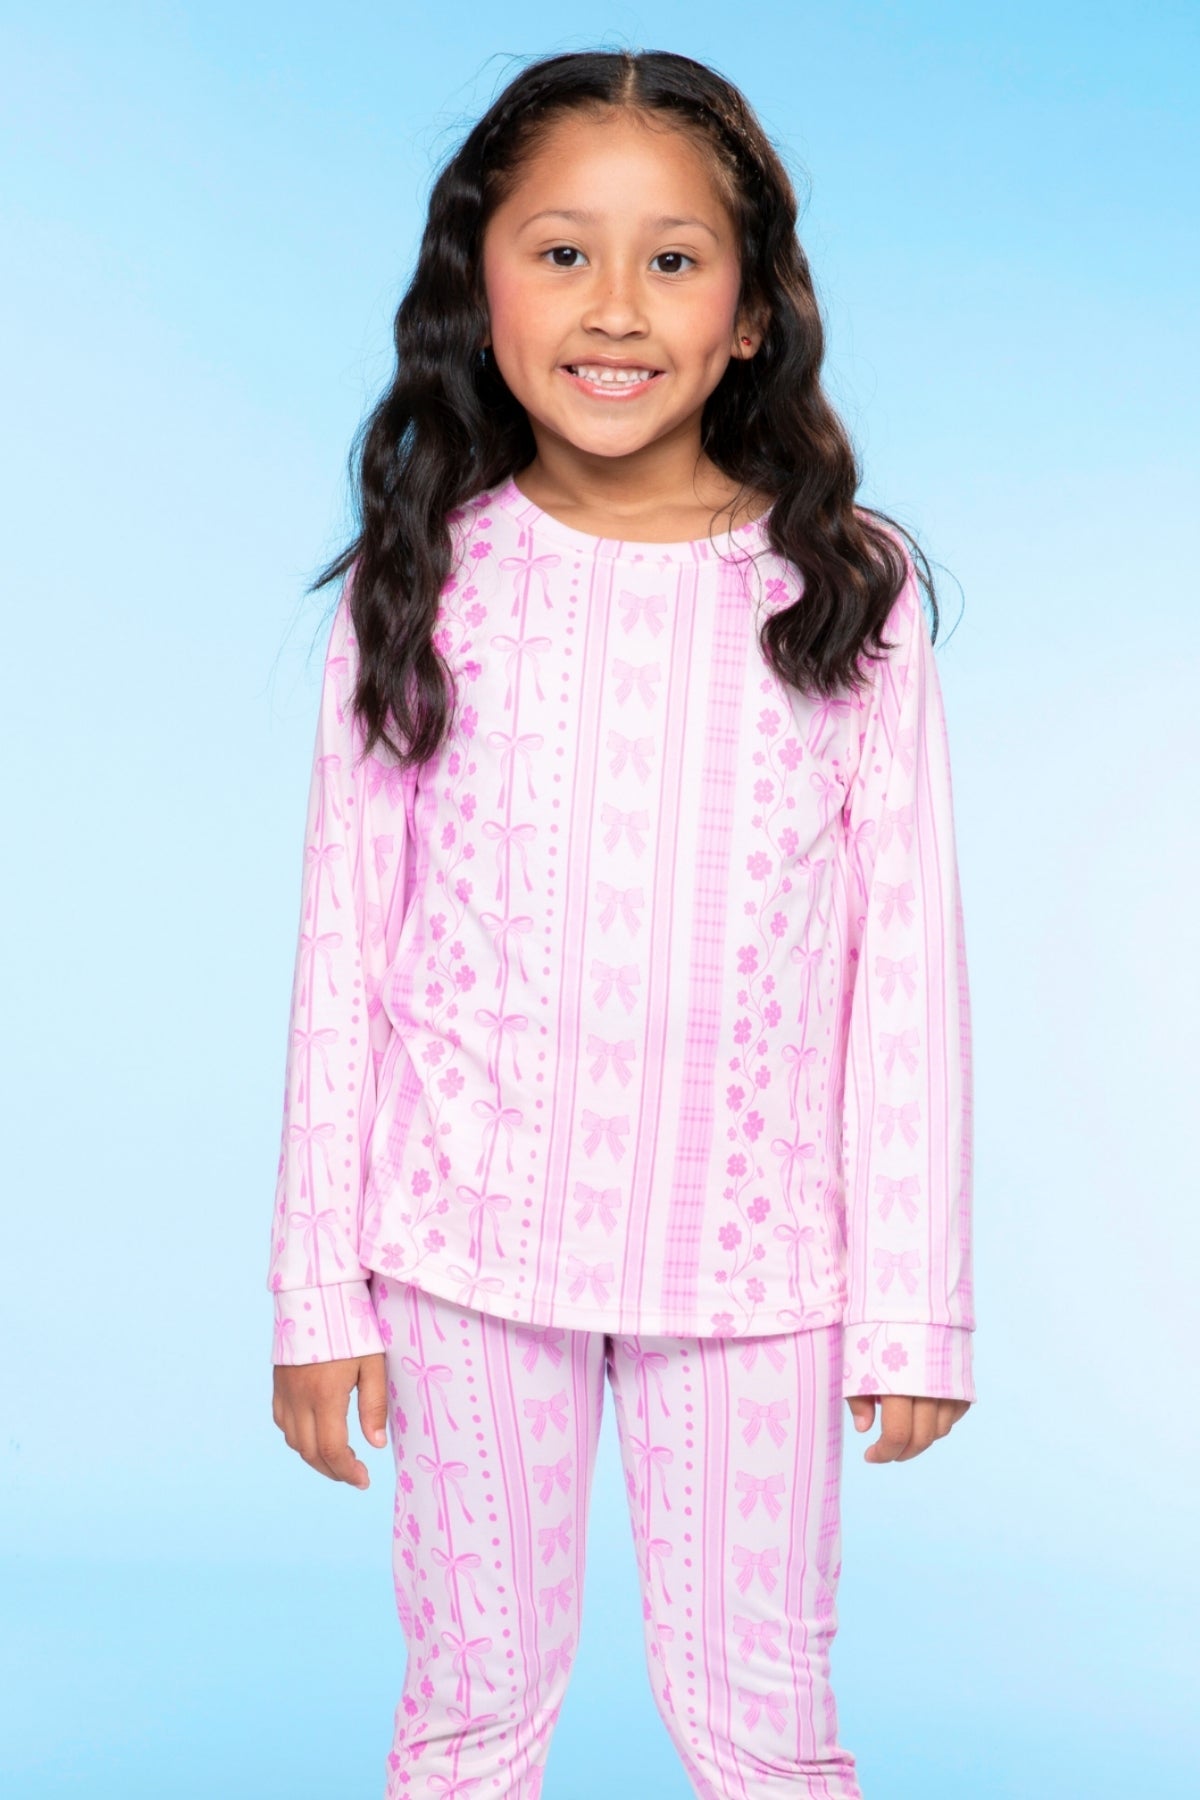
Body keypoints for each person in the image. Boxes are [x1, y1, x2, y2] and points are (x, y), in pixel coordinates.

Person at [266, 47, 975, 1800]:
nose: (616, 307)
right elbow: (343, 951)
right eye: (563, 251)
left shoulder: (846, 592)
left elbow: (907, 972)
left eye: (672, 259)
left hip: (754, 1268)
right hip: (463, 1247)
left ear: (751, 313)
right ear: (480, 285)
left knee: (766, 1735)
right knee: (466, 1720)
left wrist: (915, 1303)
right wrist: (314, 1289)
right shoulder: (421, 578)